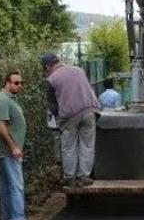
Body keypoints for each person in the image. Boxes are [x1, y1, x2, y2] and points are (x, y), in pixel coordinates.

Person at [42, 53, 101, 187]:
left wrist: (59, 118)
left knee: (69, 147)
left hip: (69, 116)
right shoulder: (79, 70)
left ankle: (70, 178)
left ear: (47, 66)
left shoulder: (51, 79)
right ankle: (84, 176)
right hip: (90, 111)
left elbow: (52, 105)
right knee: (87, 145)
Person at [0, 69, 27, 220]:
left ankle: (7, 218)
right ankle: (18, 219)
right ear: (7, 83)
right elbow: (0, 126)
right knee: (15, 184)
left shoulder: (9, 99)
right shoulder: (3, 100)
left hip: (7, 149)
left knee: (6, 184)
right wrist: (13, 147)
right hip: (7, 150)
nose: (19, 86)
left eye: (21, 83)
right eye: (16, 83)